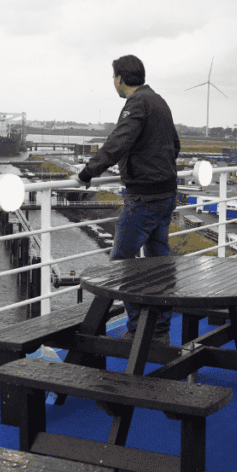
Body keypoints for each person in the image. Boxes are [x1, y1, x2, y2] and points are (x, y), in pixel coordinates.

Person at [74, 55, 181, 342]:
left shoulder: (137, 103)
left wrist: (87, 173)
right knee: (159, 265)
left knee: (122, 263)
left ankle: (137, 331)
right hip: (166, 194)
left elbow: (118, 142)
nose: (113, 83)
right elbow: (176, 144)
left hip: (144, 199)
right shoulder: (159, 101)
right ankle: (159, 332)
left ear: (120, 79)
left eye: (114, 78)